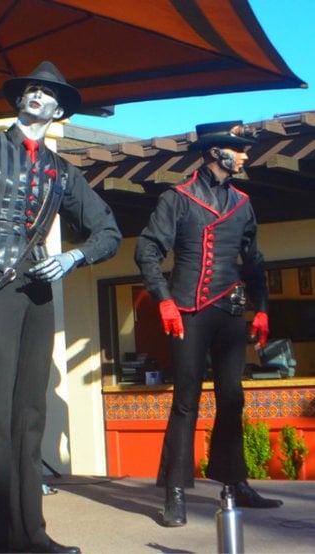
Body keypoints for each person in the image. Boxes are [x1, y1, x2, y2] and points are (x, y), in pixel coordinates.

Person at [0, 61, 121, 553]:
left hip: (38, 291)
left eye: (47, 92)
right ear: (20, 99)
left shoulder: (62, 171)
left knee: (30, 414)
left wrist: (73, 256)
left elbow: (108, 231)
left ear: (58, 109)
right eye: (32, 88)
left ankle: (30, 532)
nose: (37, 95)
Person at [134, 121, 283, 527]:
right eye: (239, 149)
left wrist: (263, 307)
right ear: (217, 152)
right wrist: (163, 300)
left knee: (232, 397)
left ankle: (234, 484)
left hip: (230, 311)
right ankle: (175, 492)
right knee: (186, 400)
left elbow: (253, 260)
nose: (245, 155)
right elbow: (147, 249)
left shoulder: (242, 202)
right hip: (188, 310)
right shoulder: (177, 198)